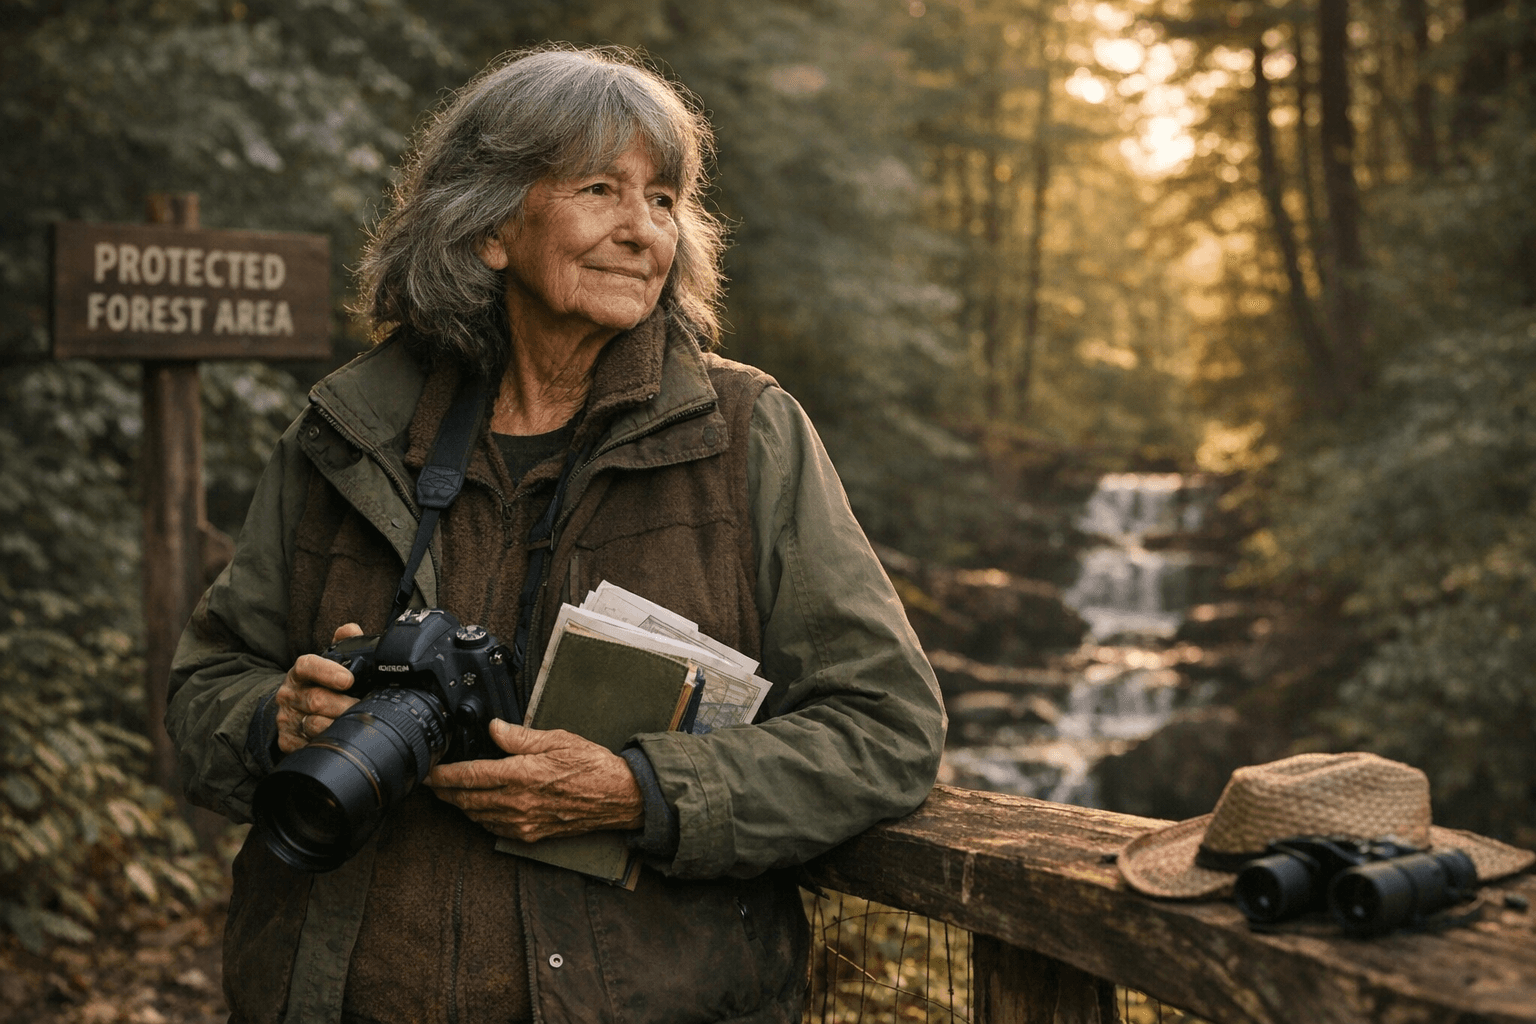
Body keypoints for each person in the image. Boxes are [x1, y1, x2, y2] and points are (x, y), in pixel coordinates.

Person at [167, 45, 944, 1024]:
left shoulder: (747, 432)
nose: (641, 230)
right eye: (599, 189)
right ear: (492, 226)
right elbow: (203, 685)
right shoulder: (348, 431)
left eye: (663, 200)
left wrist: (642, 791)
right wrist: (274, 719)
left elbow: (887, 727)